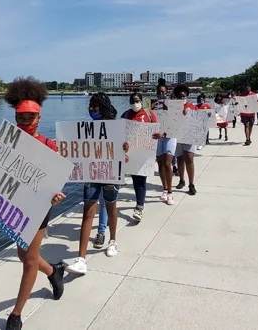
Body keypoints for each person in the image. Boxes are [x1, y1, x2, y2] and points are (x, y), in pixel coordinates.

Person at [0, 77, 66, 330]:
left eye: (29, 118)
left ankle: (16, 315)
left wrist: (56, 195)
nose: (24, 123)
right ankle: (54, 272)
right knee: (24, 254)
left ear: (39, 118)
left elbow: (56, 181)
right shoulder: (6, 143)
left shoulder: (48, 146)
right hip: (14, 205)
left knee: (29, 259)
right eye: (20, 118)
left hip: (39, 207)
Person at [66, 92, 122, 275]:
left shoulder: (116, 127)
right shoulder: (86, 128)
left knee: (111, 206)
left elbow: (125, 150)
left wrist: (125, 149)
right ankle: (81, 259)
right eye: (90, 106)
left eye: (95, 106)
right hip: (91, 173)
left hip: (110, 173)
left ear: (103, 107)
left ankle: (113, 241)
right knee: (87, 212)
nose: (91, 109)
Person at [121, 92, 162, 221]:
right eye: (132, 101)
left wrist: (159, 135)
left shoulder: (149, 115)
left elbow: (157, 131)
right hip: (131, 153)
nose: (135, 104)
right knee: (134, 178)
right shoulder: (126, 115)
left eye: (137, 101)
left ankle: (139, 206)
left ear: (142, 101)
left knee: (140, 179)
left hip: (144, 152)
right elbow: (119, 132)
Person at [152, 81, 177, 205]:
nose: (161, 94)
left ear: (167, 92)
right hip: (157, 136)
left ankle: (170, 192)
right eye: (159, 92)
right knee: (160, 164)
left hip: (170, 135)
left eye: (163, 92)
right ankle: (165, 188)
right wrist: (150, 109)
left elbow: (176, 121)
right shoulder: (153, 104)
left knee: (168, 163)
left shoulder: (172, 105)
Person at [174, 84, 198, 196]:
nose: (182, 98)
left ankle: (191, 184)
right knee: (179, 158)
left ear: (187, 96)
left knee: (189, 158)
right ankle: (181, 180)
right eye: (179, 97)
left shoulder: (192, 106)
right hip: (177, 134)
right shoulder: (173, 107)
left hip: (189, 135)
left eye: (183, 96)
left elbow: (200, 118)